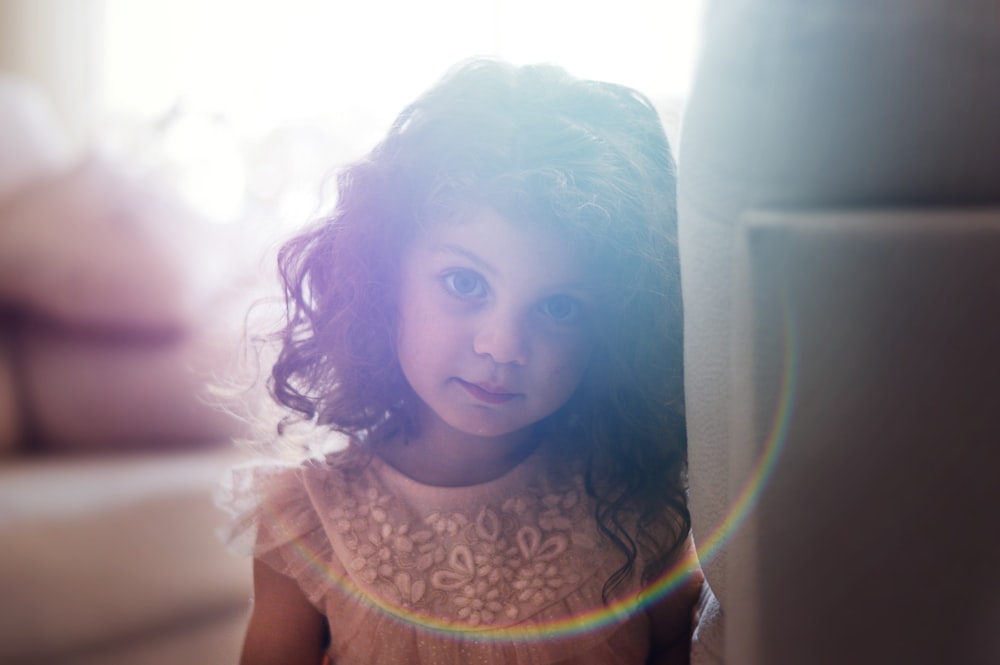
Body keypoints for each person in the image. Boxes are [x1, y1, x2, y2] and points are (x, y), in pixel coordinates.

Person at [221, 57, 703, 665]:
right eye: (465, 283)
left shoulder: (635, 510)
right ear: (383, 276)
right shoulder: (308, 517)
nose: (502, 347)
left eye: (558, 307)